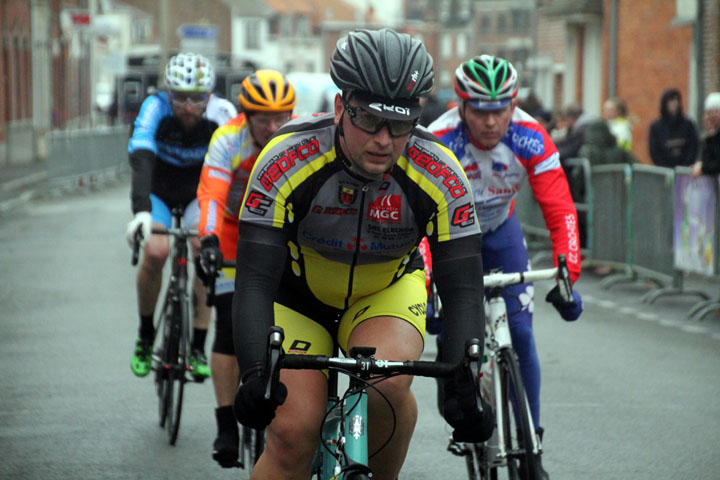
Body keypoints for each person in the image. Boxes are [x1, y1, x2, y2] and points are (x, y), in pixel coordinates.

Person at [230, 28, 494, 480]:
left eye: (401, 124)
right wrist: (257, 371)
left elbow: (463, 288)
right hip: (297, 300)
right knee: (294, 433)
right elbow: (253, 279)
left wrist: (463, 380)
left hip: (385, 291)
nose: (384, 140)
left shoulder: (438, 171)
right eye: (369, 119)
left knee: (386, 387)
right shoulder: (286, 156)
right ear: (340, 108)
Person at [429, 54, 583, 479]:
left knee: (522, 333)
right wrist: (426, 284)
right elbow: (419, 215)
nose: (492, 121)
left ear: (513, 106)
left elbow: (560, 208)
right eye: (480, 110)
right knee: (458, 337)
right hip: (449, 237)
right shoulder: (439, 139)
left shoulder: (531, 135)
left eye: (501, 109)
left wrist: (568, 272)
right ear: (461, 106)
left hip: (500, 233)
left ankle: (531, 441)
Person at [195, 70, 296, 468]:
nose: (272, 128)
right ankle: (225, 425)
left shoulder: (297, 138)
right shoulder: (227, 140)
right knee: (228, 323)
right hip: (235, 232)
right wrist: (207, 241)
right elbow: (212, 195)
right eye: (262, 120)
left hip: (283, 230)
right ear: (245, 116)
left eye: (280, 118)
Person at [125, 53, 237, 380]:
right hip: (158, 190)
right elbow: (142, 158)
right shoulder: (154, 108)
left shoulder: (223, 114)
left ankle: (199, 344)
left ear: (210, 95)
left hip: (198, 193)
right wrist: (141, 212)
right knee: (156, 250)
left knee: (205, 250)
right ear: (168, 93)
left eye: (197, 98)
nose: (189, 107)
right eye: (181, 98)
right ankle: (146, 335)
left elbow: (233, 171)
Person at [649, 88, 699, 168]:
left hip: (684, 170)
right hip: (665, 171)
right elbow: (654, 152)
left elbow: (693, 147)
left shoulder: (688, 125)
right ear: (665, 103)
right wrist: (666, 168)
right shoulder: (656, 127)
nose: (674, 103)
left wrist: (684, 166)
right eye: (671, 100)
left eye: (677, 100)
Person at [692, 92, 720, 178]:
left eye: (716, 111)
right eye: (710, 112)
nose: (713, 115)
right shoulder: (709, 139)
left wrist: (703, 168)